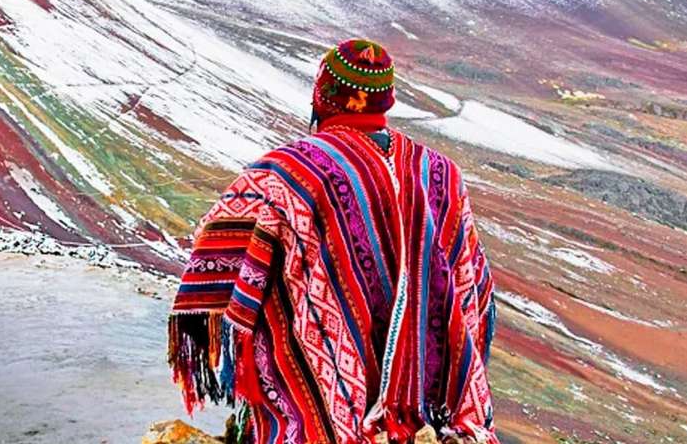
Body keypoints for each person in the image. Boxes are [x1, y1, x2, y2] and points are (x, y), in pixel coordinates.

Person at [168, 40, 496, 444]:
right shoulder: (442, 174)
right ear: (386, 100)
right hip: (425, 408)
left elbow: (221, 256)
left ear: (323, 96)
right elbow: (470, 288)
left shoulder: (288, 173)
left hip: (322, 409)